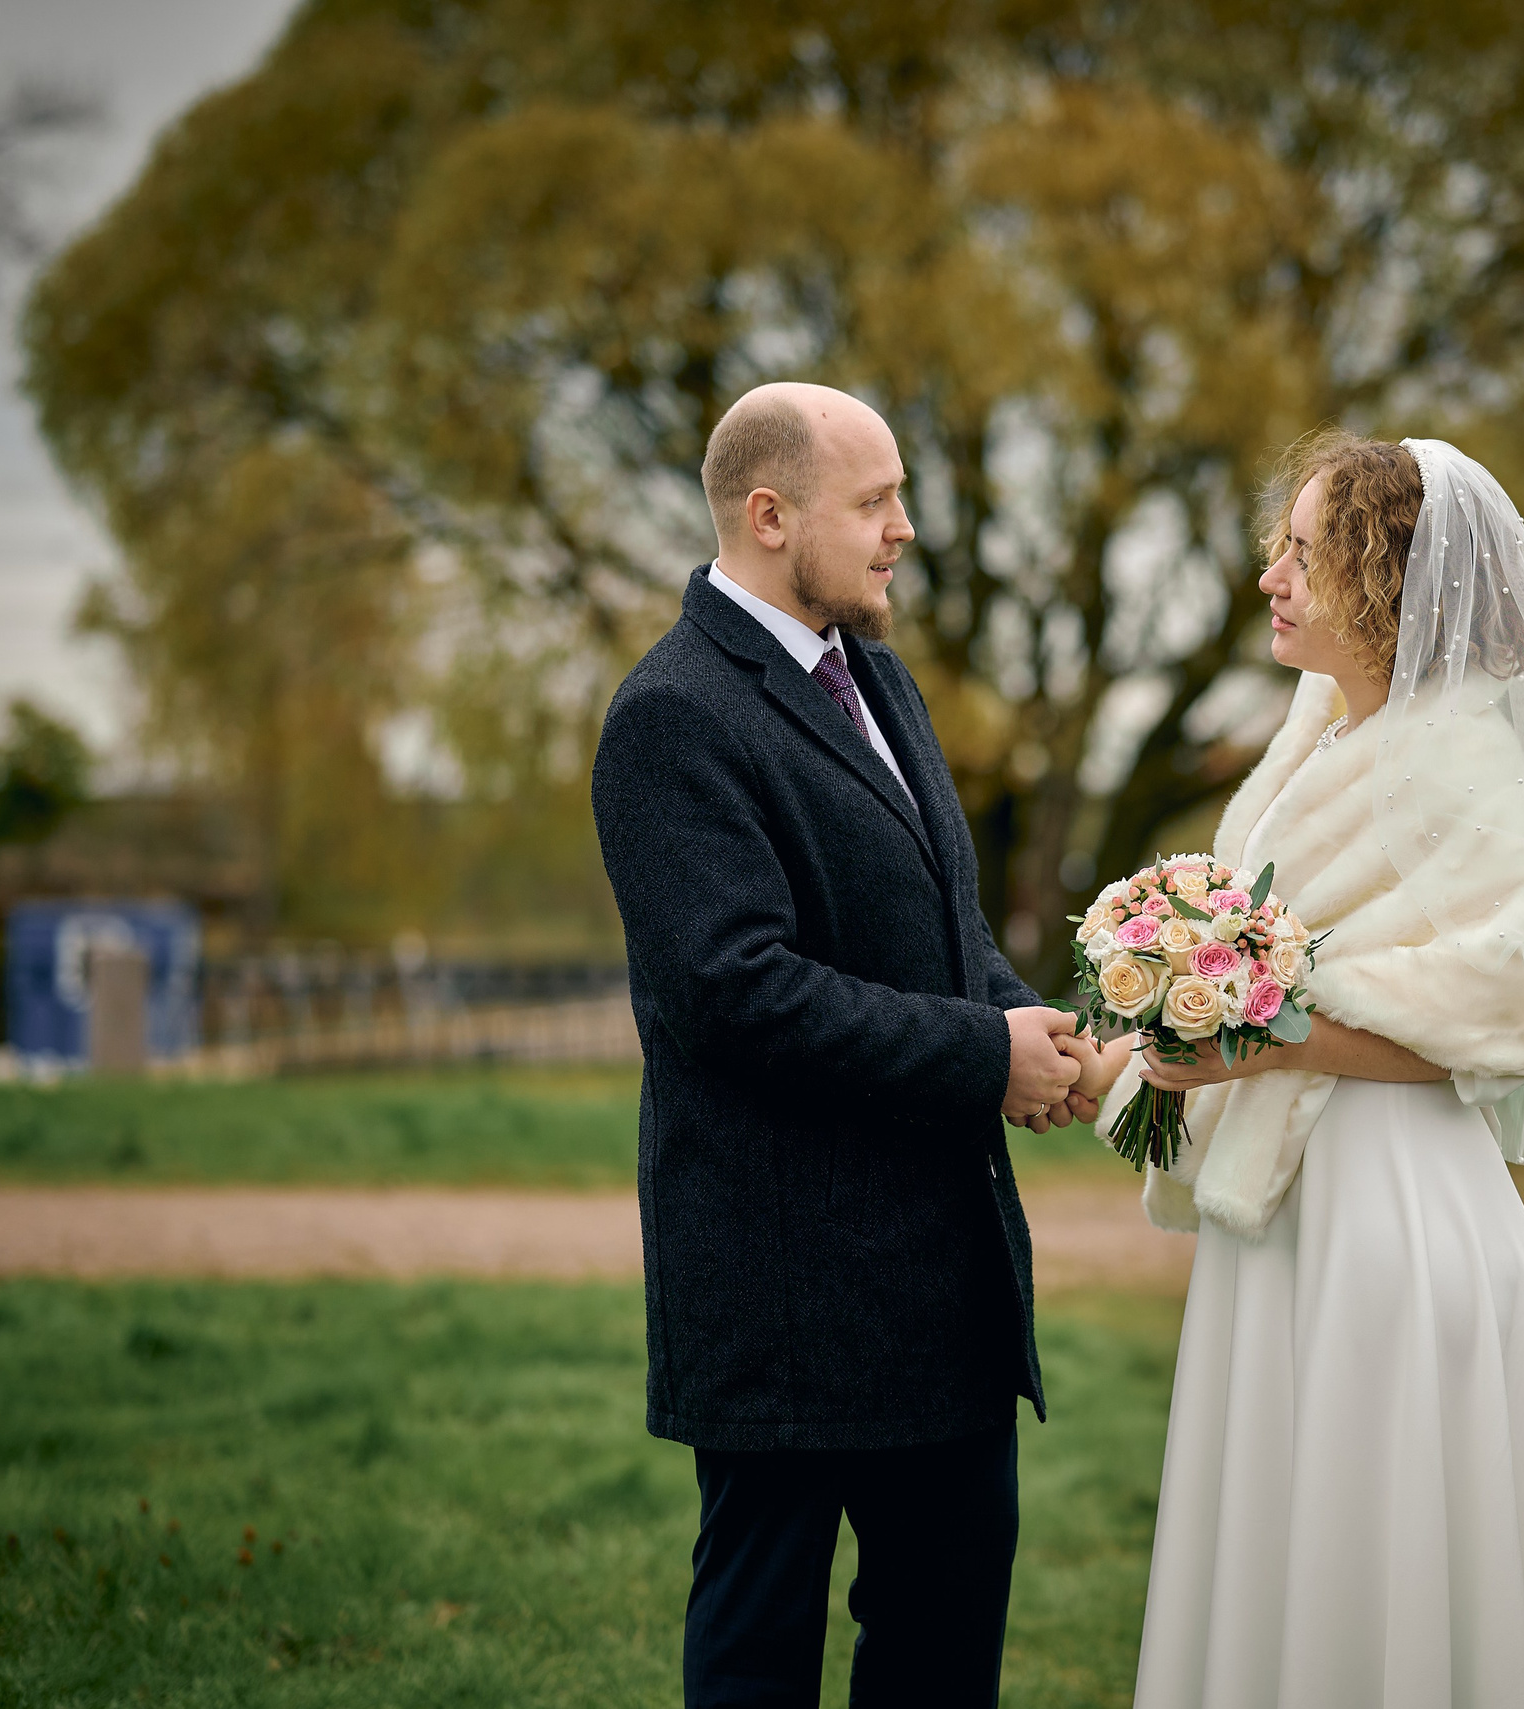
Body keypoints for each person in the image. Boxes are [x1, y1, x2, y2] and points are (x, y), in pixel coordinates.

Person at [1068, 432, 1524, 1708]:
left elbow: (1505, 1003)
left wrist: (1255, 1033)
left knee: (1372, 1526)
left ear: (1383, 575)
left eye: (1302, 551)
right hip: (1296, 1202)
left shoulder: (1453, 754)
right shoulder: (1324, 731)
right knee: (1279, 1514)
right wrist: (1150, 1033)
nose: (1270, 574)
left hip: (1390, 1204)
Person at [591, 381, 1097, 1708]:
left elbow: (940, 924)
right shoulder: (674, 716)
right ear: (769, 516)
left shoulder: (874, 670)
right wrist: (984, 1055)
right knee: (761, 1657)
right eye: (874, 502)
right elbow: (736, 994)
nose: (905, 531)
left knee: (943, 1647)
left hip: (941, 1289)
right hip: (784, 1299)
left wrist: (1033, 1025)